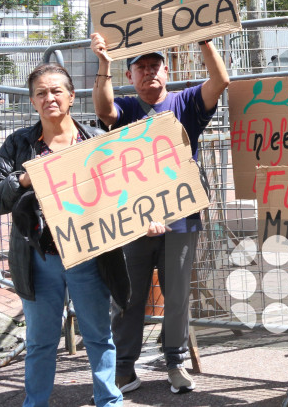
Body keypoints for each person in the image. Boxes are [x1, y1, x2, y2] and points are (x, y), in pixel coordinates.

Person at [0, 63, 161, 407]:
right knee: (41, 341)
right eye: (41, 93)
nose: (49, 98)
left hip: (88, 258)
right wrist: (22, 179)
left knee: (98, 335)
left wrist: (145, 218)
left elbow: (126, 191)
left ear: (72, 96)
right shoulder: (18, 144)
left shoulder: (95, 140)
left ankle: (109, 400)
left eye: (56, 91)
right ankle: (35, 402)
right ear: (32, 101)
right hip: (39, 260)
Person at [90, 33, 229, 394]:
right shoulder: (125, 109)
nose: (149, 71)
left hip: (181, 219)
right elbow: (103, 110)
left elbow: (219, 82)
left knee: (177, 296)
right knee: (128, 296)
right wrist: (104, 63)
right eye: (141, 67)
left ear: (167, 72)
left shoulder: (186, 103)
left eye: (155, 65)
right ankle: (124, 367)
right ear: (130, 75)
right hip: (132, 221)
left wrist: (204, 39)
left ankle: (175, 362)